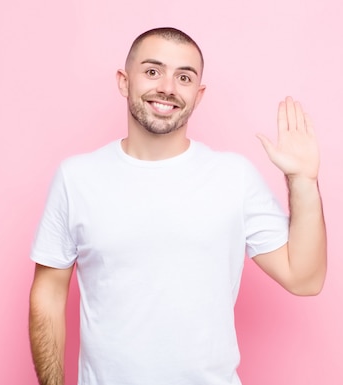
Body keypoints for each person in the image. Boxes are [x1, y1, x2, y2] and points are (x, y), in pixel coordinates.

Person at [28, 27, 327, 385]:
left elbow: (305, 278)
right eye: (153, 71)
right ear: (124, 81)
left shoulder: (234, 176)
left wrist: (303, 182)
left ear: (198, 95)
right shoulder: (76, 177)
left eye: (183, 77)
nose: (167, 87)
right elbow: (48, 292)